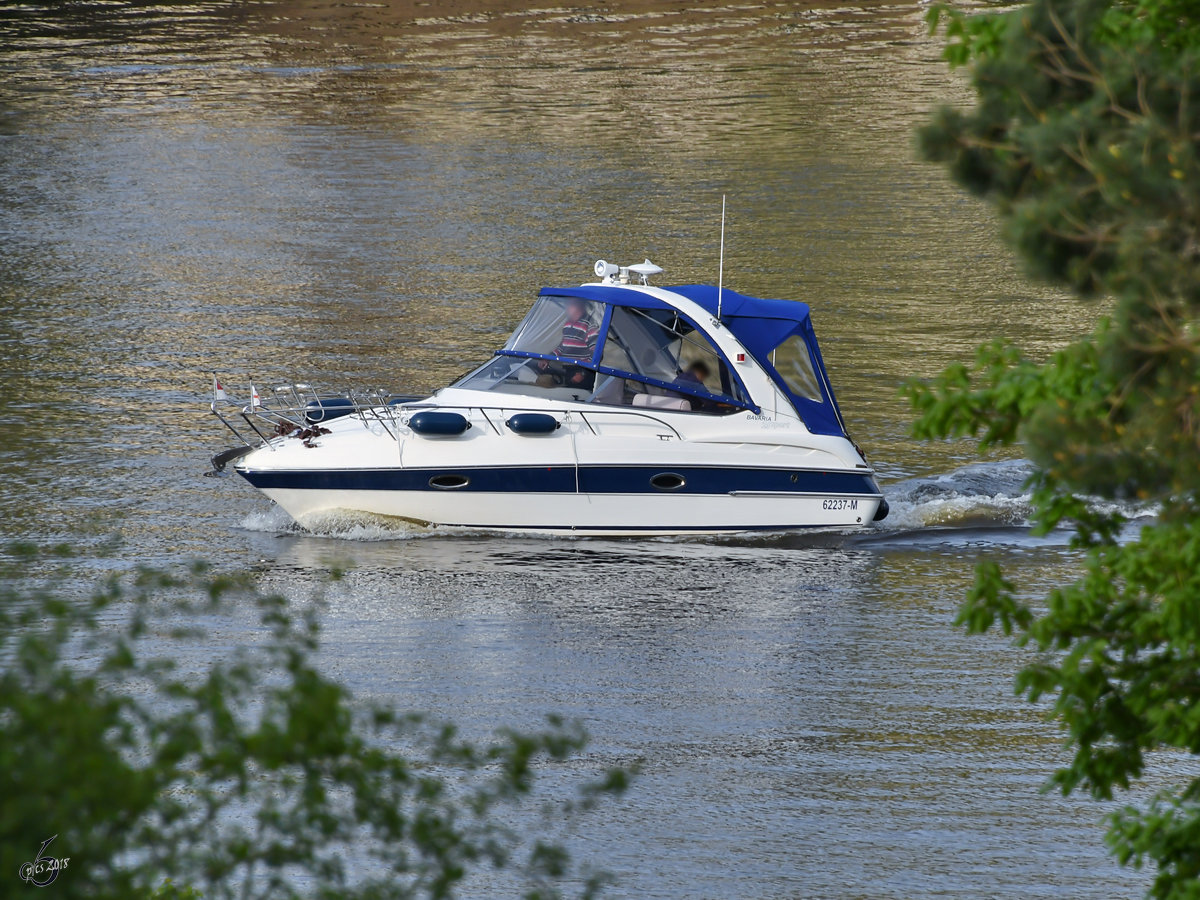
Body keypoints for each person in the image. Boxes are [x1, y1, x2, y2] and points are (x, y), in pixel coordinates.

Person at [537, 298, 599, 389]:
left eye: (570, 305)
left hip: (582, 372)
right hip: (568, 368)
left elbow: (596, 353)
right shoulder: (567, 324)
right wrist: (547, 359)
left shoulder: (590, 325)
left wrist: (583, 373)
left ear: (579, 306)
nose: (567, 308)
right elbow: (563, 347)